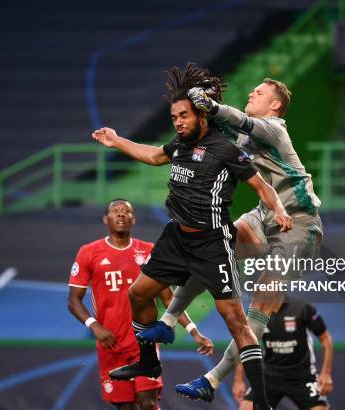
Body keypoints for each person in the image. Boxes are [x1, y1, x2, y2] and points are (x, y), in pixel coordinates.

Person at [91, 63, 293, 410]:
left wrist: (279, 209)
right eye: (173, 117)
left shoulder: (226, 149)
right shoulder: (180, 143)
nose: (179, 122)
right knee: (137, 295)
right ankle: (148, 362)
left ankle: (261, 402)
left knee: (236, 322)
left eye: (184, 115)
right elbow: (154, 156)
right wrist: (117, 141)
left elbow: (261, 186)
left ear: (201, 114)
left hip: (212, 243)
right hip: (176, 238)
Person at [137, 77, 324, 402]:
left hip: (299, 224)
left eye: (260, 92)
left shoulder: (274, 127)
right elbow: (211, 133)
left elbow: (239, 118)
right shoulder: (240, 135)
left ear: (275, 104)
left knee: (259, 307)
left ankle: (212, 378)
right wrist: (200, 105)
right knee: (213, 247)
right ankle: (167, 321)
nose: (253, 93)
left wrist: (213, 106)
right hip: (264, 214)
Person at [67, 198, 214, 410]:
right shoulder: (89, 252)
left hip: (143, 342)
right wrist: (95, 327)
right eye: (115, 211)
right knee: (125, 406)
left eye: (125, 211)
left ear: (133, 220)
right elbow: (73, 300)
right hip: (111, 343)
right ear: (105, 219)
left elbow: (168, 297)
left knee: (148, 403)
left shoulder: (149, 251)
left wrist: (193, 331)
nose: (120, 214)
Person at [233, 295, 333, 410]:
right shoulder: (255, 312)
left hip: (302, 376)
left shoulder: (302, 308)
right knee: (246, 408)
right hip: (270, 376)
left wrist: (326, 373)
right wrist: (238, 380)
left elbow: (326, 340)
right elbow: (245, 345)